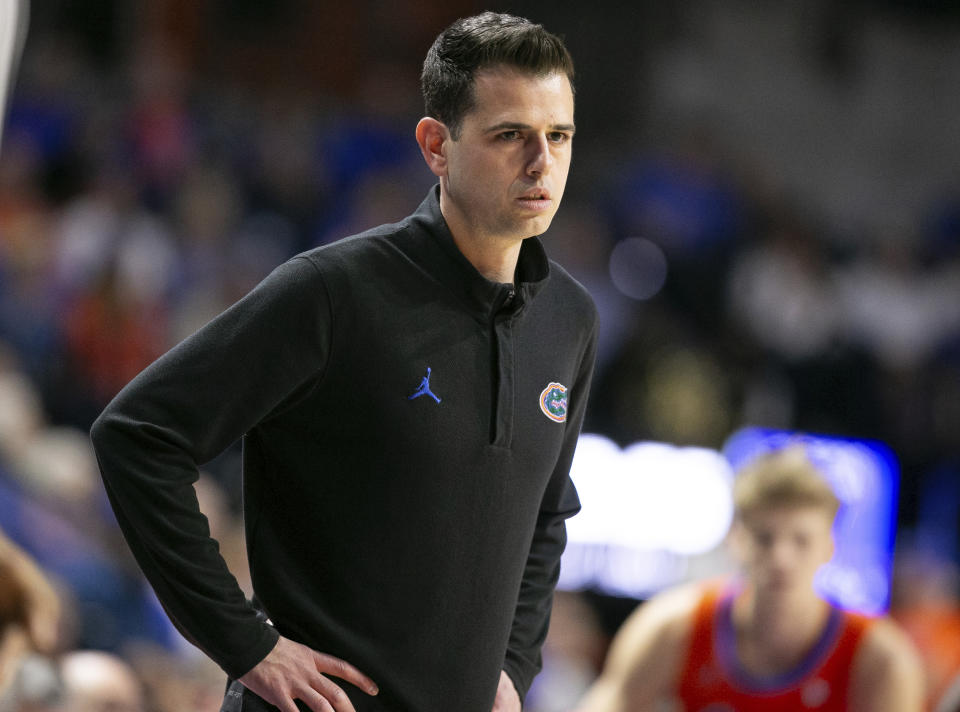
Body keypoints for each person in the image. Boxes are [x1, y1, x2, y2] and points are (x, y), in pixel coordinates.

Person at [90, 11, 597, 712]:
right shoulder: (335, 292)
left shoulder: (571, 319)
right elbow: (138, 434)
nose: (542, 162)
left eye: (559, 135)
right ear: (436, 146)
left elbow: (547, 513)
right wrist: (246, 644)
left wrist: (513, 665)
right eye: (510, 135)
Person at [575, 446, 925, 712]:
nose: (781, 558)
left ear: (829, 546)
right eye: (764, 538)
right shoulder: (675, 626)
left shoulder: (879, 660)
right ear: (735, 539)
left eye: (801, 540)